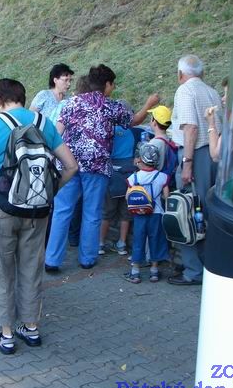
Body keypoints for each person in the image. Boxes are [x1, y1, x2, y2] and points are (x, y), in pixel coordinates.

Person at [0, 78, 78, 355]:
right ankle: (31, 327)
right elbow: (71, 166)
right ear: (23, 98)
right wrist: (49, 192)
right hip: (38, 210)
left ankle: (5, 334)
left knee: (1, 270)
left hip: (0, 209)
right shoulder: (42, 123)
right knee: (31, 268)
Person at [44, 65, 160, 272]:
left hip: (68, 164)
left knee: (62, 211)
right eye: (112, 84)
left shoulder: (71, 102)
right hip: (96, 167)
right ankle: (87, 258)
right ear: (106, 84)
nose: (113, 88)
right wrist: (149, 104)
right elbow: (134, 121)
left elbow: (57, 131)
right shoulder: (110, 106)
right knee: (92, 212)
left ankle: (52, 260)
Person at [169, 55, 221, 285]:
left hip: (194, 155)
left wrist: (187, 163)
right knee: (205, 211)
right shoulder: (211, 91)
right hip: (212, 155)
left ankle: (193, 270)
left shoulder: (185, 91)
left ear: (181, 74)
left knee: (187, 211)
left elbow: (190, 127)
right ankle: (210, 265)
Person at [124, 144, 169, 284]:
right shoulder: (162, 177)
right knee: (155, 240)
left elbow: (127, 197)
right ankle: (154, 272)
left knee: (138, 241)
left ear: (140, 160)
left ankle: (135, 272)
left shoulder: (134, 177)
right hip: (156, 214)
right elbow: (166, 196)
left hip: (139, 214)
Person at [98, 123, 135, 256]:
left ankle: (100, 243)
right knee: (125, 214)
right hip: (129, 174)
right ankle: (122, 244)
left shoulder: (110, 129)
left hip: (113, 173)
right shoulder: (131, 131)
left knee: (107, 212)